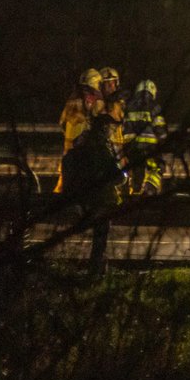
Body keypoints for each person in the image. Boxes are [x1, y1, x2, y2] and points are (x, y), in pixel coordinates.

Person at [59, 114, 125, 274]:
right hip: (100, 199)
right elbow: (117, 176)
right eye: (111, 128)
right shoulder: (102, 149)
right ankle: (96, 270)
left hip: (80, 199)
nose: (112, 132)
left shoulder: (81, 143)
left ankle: (89, 268)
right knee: (100, 237)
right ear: (104, 129)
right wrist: (123, 175)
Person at [55, 69, 104, 192]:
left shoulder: (72, 98)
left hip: (68, 149)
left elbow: (62, 122)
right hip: (82, 148)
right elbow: (99, 117)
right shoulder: (94, 96)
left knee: (64, 183)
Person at [123, 79, 167, 196]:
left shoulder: (129, 106)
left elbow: (125, 129)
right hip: (150, 148)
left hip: (133, 148)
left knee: (136, 169)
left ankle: (135, 192)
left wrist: (127, 148)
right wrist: (163, 140)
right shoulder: (154, 106)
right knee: (158, 168)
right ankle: (149, 189)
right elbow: (159, 128)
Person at [99, 66, 127, 149]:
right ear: (101, 86)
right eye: (107, 83)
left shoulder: (121, 102)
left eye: (113, 82)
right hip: (105, 146)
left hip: (120, 144)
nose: (111, 86)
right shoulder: (98, 103)